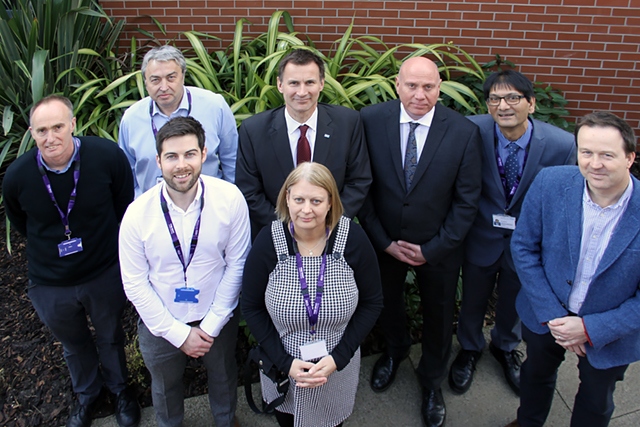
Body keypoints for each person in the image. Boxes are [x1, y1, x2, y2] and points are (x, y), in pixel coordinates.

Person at [358, 56, 482, 427]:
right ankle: (395, 351)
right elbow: (362, 187)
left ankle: (431, 379)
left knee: (440, 316)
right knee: (386, 304)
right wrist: (382, 241)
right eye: (412, 85)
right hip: (385, 244)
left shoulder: (463, 132)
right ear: (397, 84)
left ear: (439, 88)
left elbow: (467, 201)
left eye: (429, 87)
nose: (420, 94)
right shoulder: (370, 121)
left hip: (439, 249)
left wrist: (434, 248)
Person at [2, 95, 140, 427]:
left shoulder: (106, 157)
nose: (51, 138)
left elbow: (124, 205)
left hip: (103, 270)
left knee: (110, 336)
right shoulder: (18, 176)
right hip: (50, 282)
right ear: (32, 133)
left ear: (73, 124)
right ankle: (87, 395)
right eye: (42, 130)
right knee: (73, 343)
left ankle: (121, 391)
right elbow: (21, 222)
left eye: (58, 127)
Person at [507, 112, 640, 427]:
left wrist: (590, 328)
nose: (595, 164)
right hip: (544, 316)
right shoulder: (550, 183)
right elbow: (524, 247)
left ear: (630, 158)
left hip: (611, 332)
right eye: (586, 152)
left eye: (607, 155)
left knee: (596, 400)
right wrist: (554, 317)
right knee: (535, 376)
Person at [449, 70, 576, 396]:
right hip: (480, 235)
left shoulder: (561, 145)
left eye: (513, 98)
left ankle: (505, 347)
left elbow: (566, 200)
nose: (503, 105)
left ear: (531, 104)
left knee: (516, 300)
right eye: (495, 99)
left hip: (528, 244)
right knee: (473, 299)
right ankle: (470, 348)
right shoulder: (470, 131)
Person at [118, 116, 250, 427]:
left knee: (223, 375)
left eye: (190, 154)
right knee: (164, 386)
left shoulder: (229, 199)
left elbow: (238, 263)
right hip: (161, 321)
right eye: (172, 156)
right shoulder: (137, 214)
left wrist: (213, 322)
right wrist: (178, 333)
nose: (181, 165)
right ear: (158, 160)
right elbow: (134, 282)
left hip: (216, 315)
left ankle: (225, 420)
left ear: (204, 154)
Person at [241, 162, 383, 427]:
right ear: (287, 198)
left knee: (332, 422)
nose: (306, 209)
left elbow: (372, 302)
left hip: (336, 367)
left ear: (331, 202)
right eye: (299, 199)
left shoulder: (353, 238)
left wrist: (338, 358)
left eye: (316, 200)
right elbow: (251, 306)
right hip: (283, 368)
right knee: (287, 419)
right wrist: (286, 363)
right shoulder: (268, 241)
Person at [235, 48, 372, 239]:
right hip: (275, 235)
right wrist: (289, 228)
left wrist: (326, 224)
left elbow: (359, 181)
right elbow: (249, 190)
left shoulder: (348, 123)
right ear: (280, 85)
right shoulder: (253, 130)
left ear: (321, 84)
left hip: (331, 233)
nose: (302, 92)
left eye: (309, 82)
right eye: (294, 83)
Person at [118, 45, 237, 198]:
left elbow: (232, 161)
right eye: (155, 80)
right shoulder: (131, 119)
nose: (163, 87)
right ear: (145, 82)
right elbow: (127, 173)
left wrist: (229, 200)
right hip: (153, 210)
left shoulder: (215, 107)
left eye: (171, 78)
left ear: (183, 76)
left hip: (209, 204)